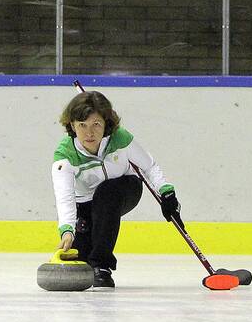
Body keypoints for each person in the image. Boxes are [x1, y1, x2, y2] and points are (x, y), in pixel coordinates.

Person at [50, 90, 180, 288]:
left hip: (123, 189)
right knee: (81, 257)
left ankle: (102, 266)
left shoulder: (120, 139)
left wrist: (166, 192)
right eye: (82, 125)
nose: (89, 133)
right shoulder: (65, 155)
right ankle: (90, 258)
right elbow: (65, 197)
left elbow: (149, 166)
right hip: (85, 203)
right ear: (72, 126)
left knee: (107, 193)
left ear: (106, 124)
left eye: (96, 124)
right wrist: (67, 230)